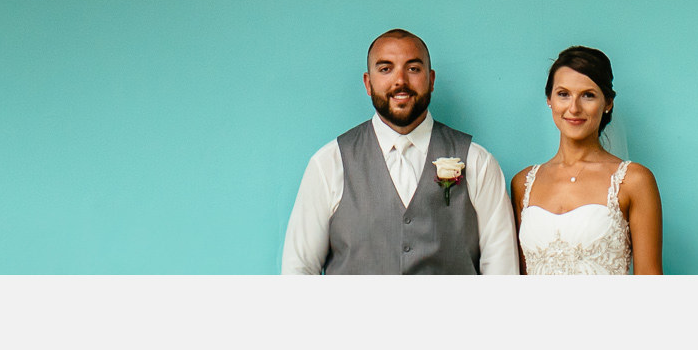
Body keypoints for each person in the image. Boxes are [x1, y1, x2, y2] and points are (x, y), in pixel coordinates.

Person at [281, 28, 519, 275]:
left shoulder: (478, 161)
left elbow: (501, 272)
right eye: (385, 69)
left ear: (431, 79)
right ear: (368, 83)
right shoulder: (329, 163)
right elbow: (299, 269)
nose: (400, 81)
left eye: (413, 69)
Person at [513, 45, 663, 275]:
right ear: (549, 99)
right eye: (563, 94)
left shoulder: (634, 181)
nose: (574, 108)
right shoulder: (523, 183)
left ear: (608, 103)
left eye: (588, 95)